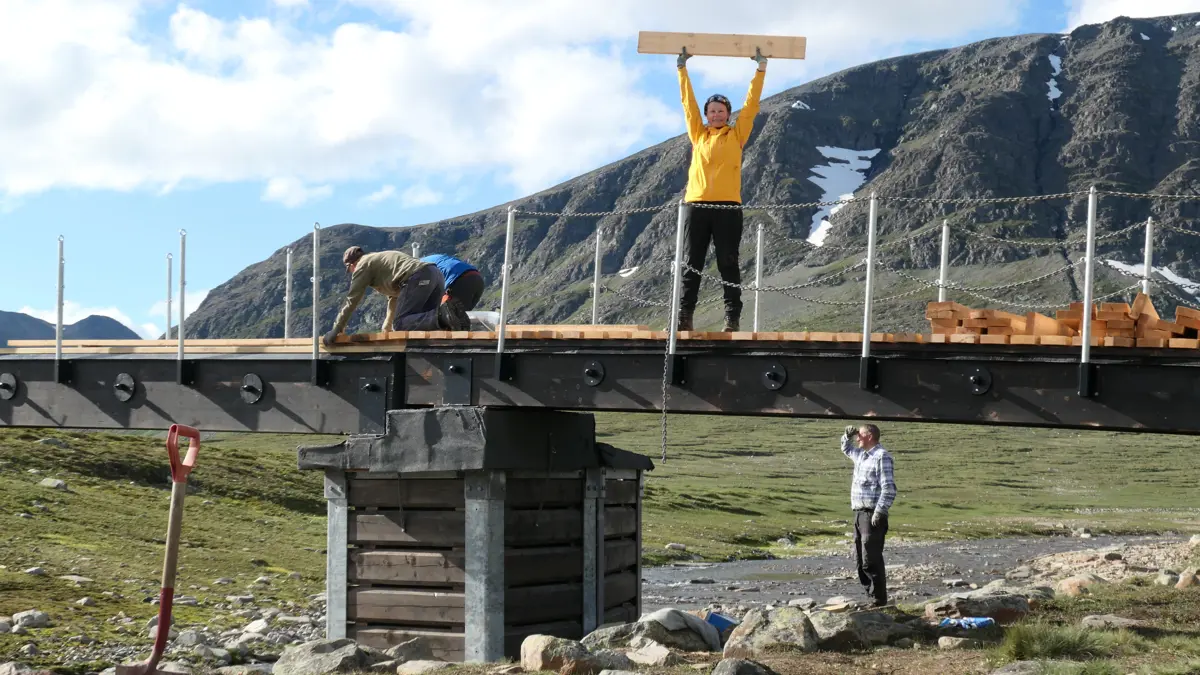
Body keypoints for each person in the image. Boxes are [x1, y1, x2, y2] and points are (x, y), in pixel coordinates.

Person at [675, 45, 767, 332]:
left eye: (721, 110)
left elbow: (751, 106)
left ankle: (732, 318)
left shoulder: (737, 135)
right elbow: (687, 104)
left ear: (728, 114)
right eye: (711, 111)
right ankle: (684, 317)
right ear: (707, 115)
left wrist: (760, 69)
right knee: (692, 263)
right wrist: (682, 69)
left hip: (728, 207)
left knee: (728, 262)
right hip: (696, 206)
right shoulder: (698, 134)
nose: (715, 115)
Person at [321, 246, 469, 346]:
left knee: (401, 324)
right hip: (435, 275)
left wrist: (337, 328)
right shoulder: (380, 261)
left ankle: (444, 314)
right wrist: (386, 330)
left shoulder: (362, 265)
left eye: (350, 270)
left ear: (351, 265)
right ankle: (455, 318)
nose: (352, 273)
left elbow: (352, 299)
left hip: (417, 277)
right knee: (427, 325)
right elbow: (395, 298)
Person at [840, 423, 897, 607]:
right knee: (859, 560)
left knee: (870, 559)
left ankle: (879, 600)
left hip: (872, 513)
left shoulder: (882, 457)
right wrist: (846, 435)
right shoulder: (860, 455)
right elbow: (846, 448)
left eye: (860, 435)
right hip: (858, 513)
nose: (858, 438)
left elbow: (889, 488)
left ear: (870, 436)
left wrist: (880, 511)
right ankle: (871, 598)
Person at [420, 253, 486, 312]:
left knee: (445, 315)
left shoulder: (419, 267)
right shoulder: (436, 259)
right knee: (462, 315)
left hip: (460, 280)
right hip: (478, 279)